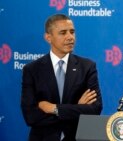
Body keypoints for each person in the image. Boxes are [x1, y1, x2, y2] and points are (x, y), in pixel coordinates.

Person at [21, 13, 102, 141]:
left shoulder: (87, 67)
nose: (70, 37)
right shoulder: (32, 70)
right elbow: (31, 116)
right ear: (48, 37)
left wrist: (54, 109)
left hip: (77, 137)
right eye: (63, 33)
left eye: (72, 32)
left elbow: (94, 109)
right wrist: (77, 107)